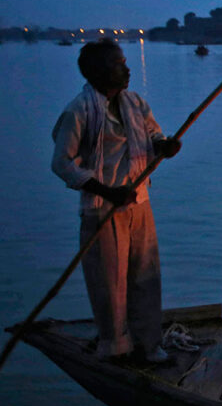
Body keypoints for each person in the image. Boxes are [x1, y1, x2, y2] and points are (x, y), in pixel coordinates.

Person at [51, 39, 181, 362]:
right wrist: (106, 191)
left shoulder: (135, 103)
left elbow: (153, 136)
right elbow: (62, 163)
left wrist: (165, 146)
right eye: (119, 64)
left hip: (139, 202)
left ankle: (149, 345)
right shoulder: (79, 110)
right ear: (98, 72)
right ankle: (116, 347)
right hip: (103, 209)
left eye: (124, 62)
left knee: (146, 275)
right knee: (110, 284)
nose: (127, 69)